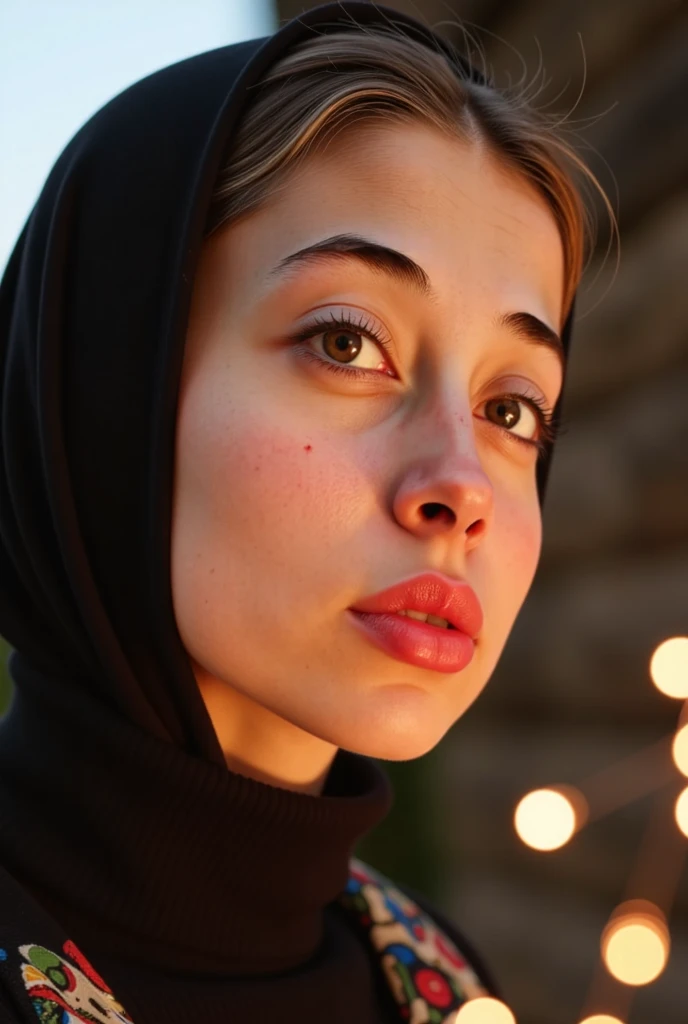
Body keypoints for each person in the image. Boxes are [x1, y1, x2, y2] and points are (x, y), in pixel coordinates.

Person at [0, 2, 612, 1021]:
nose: (459, 485)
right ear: (103, 388)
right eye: (345, 344)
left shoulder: (441, 987)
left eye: (511, 408)